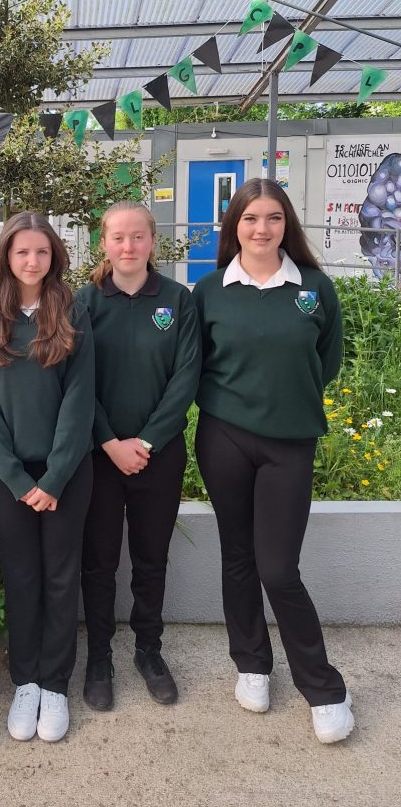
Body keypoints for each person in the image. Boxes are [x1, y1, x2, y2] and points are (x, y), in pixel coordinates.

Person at [192, 178, 354, 744]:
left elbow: (326, 361)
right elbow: (195, 364)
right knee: (237, 557)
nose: (262, 229)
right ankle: (252, 663)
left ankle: (324, 688)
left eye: (274, 218)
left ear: (288, 224)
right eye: (250, 218)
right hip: (223, 439)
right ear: (233, 226)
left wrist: (285, 399)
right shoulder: (209, 290)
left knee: (279, 569)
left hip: (290, 443)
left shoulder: (314, 287)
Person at [0, 211, 94, 744]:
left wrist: (55, 477)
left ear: (54, 257)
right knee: (21, 576)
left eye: (42, 251)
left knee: (61, 577)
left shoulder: (73, 313)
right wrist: (19, 482)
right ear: (7, 256)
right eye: (22, 251)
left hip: (67, 473)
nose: (32, 261)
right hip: (10, 477)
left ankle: (55, 683)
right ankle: (26, 681)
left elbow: (80, 401)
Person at [76, 201, 200, 711]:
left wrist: (145, 443)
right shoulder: (83, 302)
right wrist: (109, 442)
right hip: (98, 456)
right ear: (103, 243)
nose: (128, 246)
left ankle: (149, 650)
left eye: (138, 237)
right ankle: (99, 657)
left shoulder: (177, 300)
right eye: (118, 237)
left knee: (151, 558)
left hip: (159, 456)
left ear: (153, 240)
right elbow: (77, 383)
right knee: (98, 562)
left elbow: (185, 378)